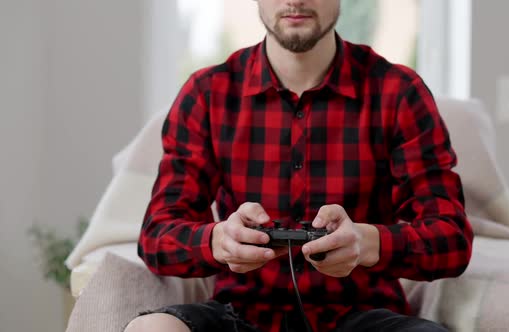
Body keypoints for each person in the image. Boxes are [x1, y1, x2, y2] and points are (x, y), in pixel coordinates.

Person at [124, 0, 473, 331]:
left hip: (365, 315)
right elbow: (157, 235)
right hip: (240, 315)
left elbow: (452, 238)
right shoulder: (207, 93)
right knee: (151, 328)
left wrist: (367, 243)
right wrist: (217, 240)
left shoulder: (399, 92)